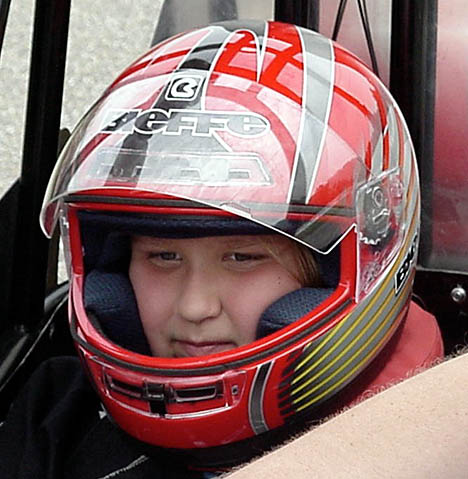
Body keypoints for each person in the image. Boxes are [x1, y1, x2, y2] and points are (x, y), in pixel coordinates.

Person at [0, 20, 443, 478]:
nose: (195, 307)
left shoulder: (435, 446)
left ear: (350, 266)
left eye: (241, 257)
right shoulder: (59, 418)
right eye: (163, 256)